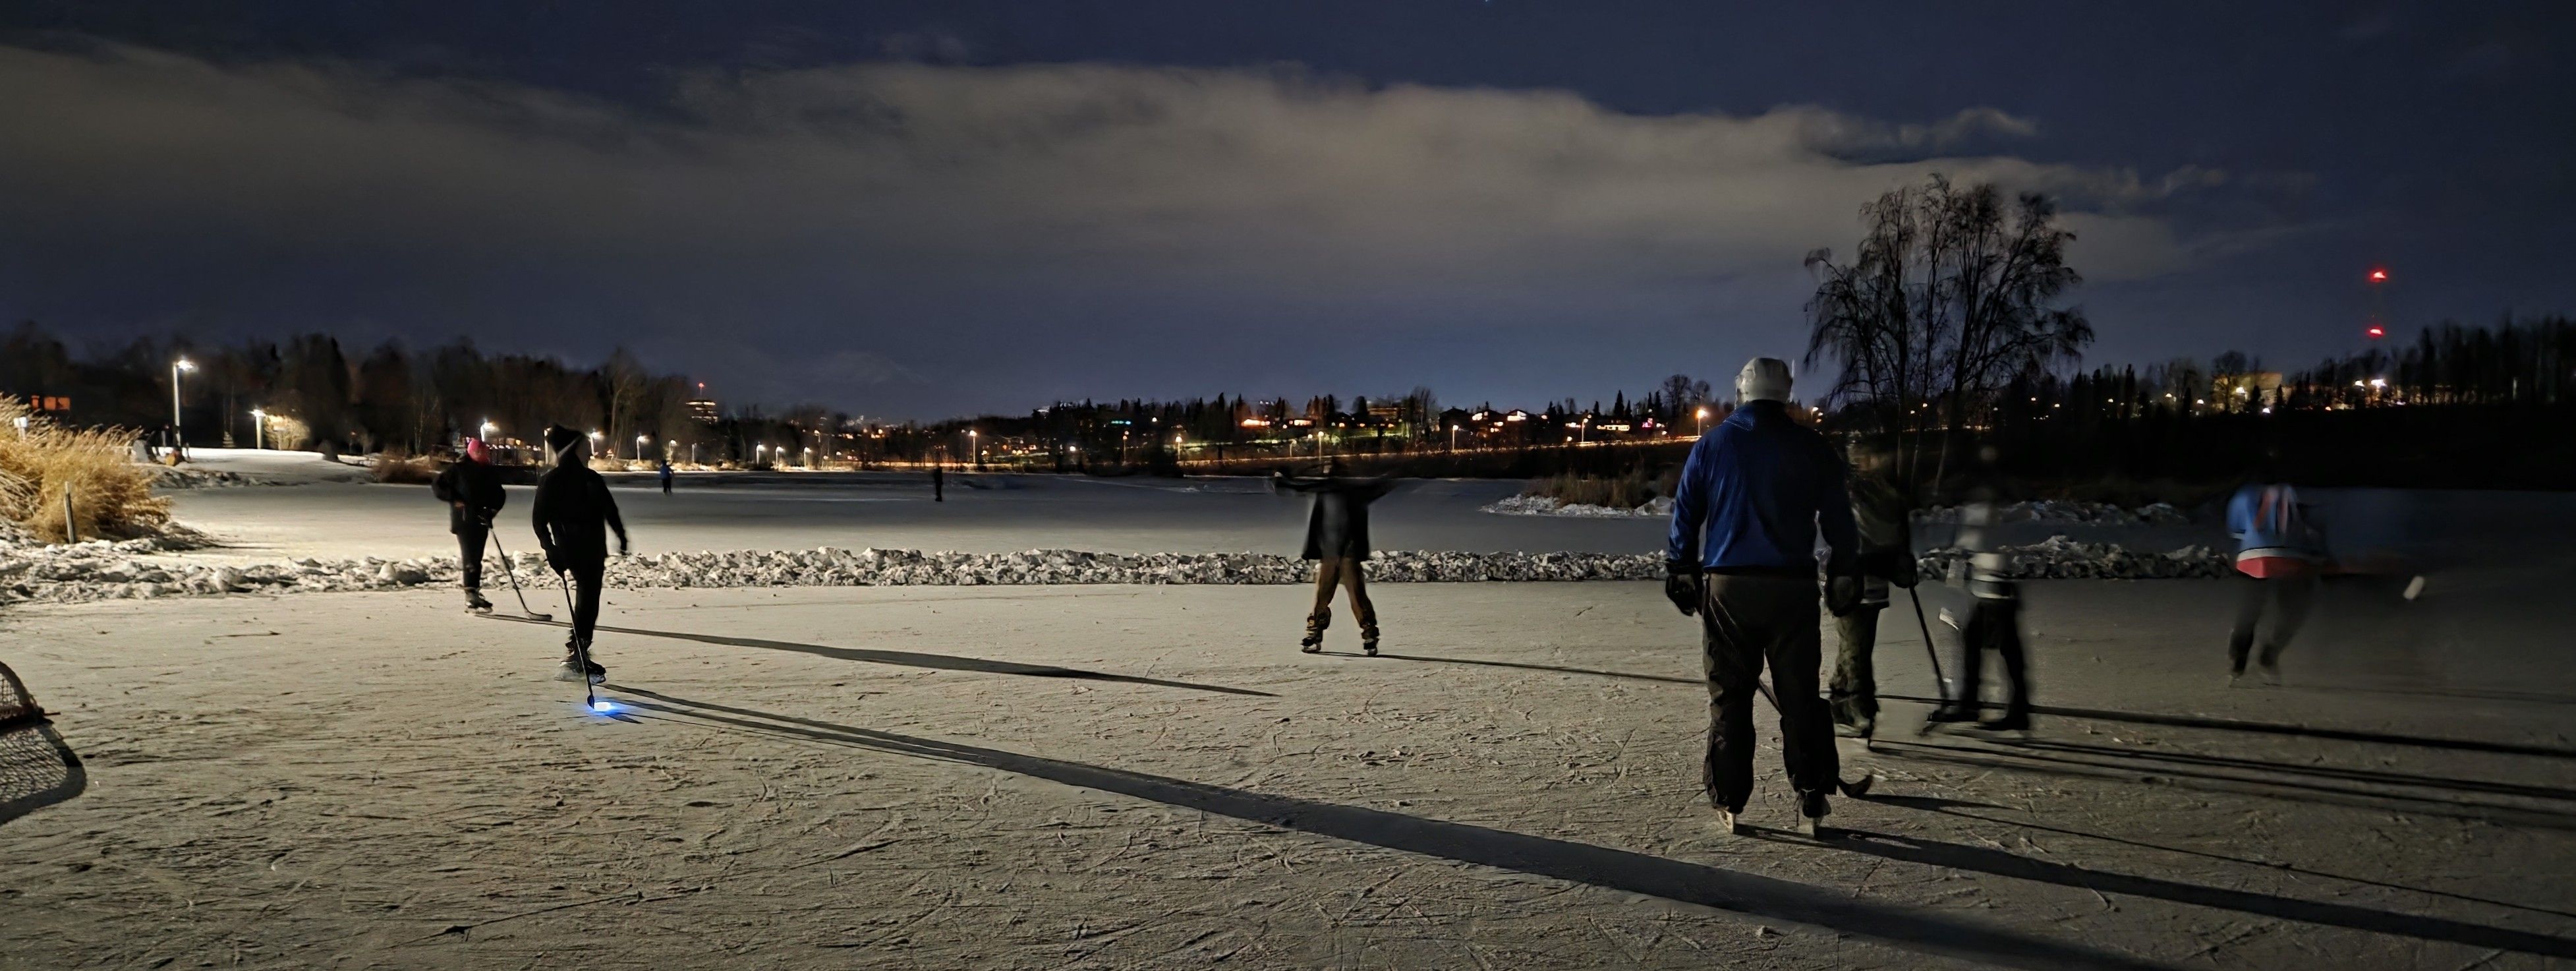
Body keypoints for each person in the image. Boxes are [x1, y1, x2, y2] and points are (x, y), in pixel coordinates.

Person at [1665, 357, 1859, 837]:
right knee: (1799, 696)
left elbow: (1686, 510)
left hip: (1729, 588)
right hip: (1791, 588)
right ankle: (1811, 791)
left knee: (1730, 697)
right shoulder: (1812, 447)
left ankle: (1730, 797)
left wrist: (1680, 566)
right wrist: (1843, 569)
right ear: (1785, 394)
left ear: (1741, 392)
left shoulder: (1712, 445)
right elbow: (1839, 517)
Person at [1925, 446, 2032, 732]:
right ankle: (2000, 707)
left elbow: (1982, 542)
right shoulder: (1992, 508)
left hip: (1995, 591)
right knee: (1988, 646)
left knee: (2003, 650)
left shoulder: (1990, 511)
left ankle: (2007, 709)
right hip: (1991, 591)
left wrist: (1963, 548)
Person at [1825, 436, 1918, 738]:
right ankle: (1855, 704)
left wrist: (1902, 559)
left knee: (1856, 645)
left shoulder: (1882, 490)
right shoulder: (1850, 490)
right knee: (1855, 646)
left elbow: (1896, 533)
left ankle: (1843, 700)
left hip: (1872, 580)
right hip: (1853, 581)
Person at [532, 425, 628, 684]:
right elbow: (539, 521)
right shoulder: (553, 480)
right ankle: (576, 653)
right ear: (573, 449)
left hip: (594, 549)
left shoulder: (591, 478)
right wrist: (550, 548)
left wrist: (621, 535)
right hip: (571, 549)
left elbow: (610, 510)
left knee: (590, 597)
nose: (591, 450)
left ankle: (579, 650)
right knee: (587, 596)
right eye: (586, 446)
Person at [1277, 458, 1397, 656]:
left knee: (1356, 596)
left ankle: (1368, 634)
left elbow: (1377, 488)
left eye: (1331, 470)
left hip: (1348, 553)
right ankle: (1315, 633)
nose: (1329, 473)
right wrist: (1283, 479)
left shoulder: (1351, 491)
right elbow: (1296, 487)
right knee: (1323, 597)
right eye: (1327, 470)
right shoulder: (1325, 490)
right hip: (1330, 553)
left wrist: (1389, 476)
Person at [2223, 476, 2325, 686]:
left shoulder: (2245, 493)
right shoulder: (2300, 492)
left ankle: (2240, 660)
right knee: (2292, 611)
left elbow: (2237, 530)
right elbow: (2315, 528)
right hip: (2290, 556)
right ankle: (2265, 657)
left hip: (2259, 556)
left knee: (2254, 610)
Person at [430, 438, 507, 612]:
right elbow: (438, 486)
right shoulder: (459, 469)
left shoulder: (488, 471)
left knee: (476, 558)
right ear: (473, 452)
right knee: (470, 557)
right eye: (481, 451)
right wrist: (454, 498)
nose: (484, 454)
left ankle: (474, 591)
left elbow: (500, 494)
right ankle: (470, 593)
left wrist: (493, 510)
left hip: (481, 519)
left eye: (485, 451)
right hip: (465, 520)